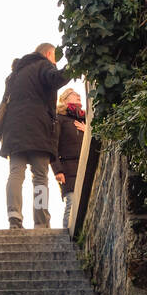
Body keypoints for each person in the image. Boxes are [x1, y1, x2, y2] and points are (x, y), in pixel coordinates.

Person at [0, 42, 72, 229]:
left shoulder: (14, 75)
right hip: (38, 130)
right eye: (54, 58)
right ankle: (41, 222)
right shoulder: (43, 64)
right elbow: (55, 79)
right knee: (40, 177)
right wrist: (72, 66)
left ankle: (14, 216)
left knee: (16, 173)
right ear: (49, 54)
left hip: (13, 131)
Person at [55, 86, 87, 230]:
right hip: (68, 169)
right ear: (65, 99)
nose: (78, 95)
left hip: (85, 165)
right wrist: (57, 170)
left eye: (78, 94)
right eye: (74, 94)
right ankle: (65, 239)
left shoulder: (86, 118)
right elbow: (53, 146)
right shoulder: (59, 119)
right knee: (71, 203)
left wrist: (88, 131)